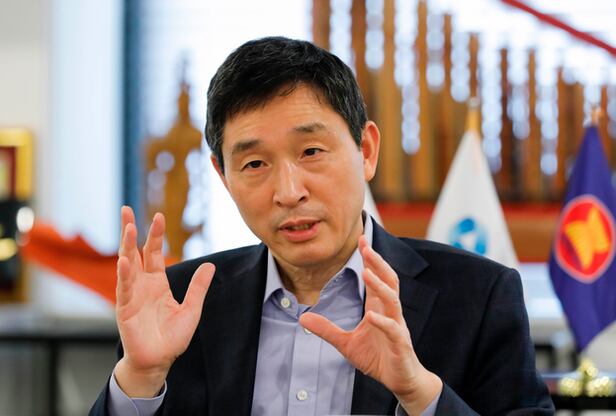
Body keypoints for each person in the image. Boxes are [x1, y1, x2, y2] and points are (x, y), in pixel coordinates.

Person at [90, 37, 554, 415]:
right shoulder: (182, 302)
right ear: (223, 177)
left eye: (311, 152)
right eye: (254, 163)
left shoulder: (477, 295)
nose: (289, 191)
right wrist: (140, 380)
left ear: (366, 151)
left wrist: (419, 393)